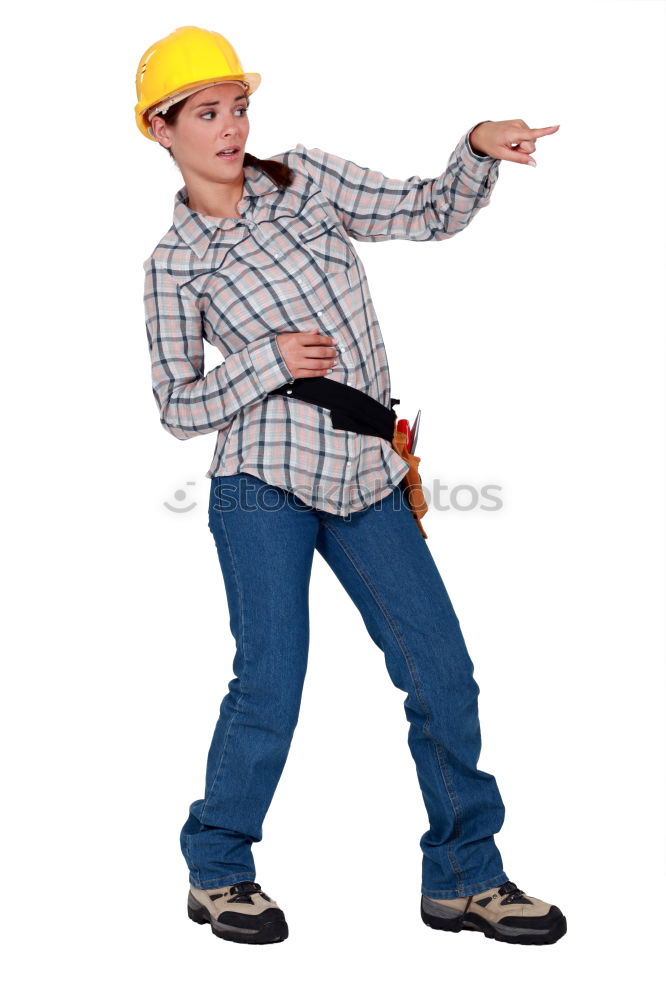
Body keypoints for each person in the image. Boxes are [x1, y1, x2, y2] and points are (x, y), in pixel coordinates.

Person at [136, 25, 565, 946]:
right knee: (272, 681)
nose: (230, 127)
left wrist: (475, 150)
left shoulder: (305, 181)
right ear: (160, 130)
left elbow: (426, 211)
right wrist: (266, 362)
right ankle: (218, 869)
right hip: (263, 483)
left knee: (442, 674)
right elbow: (177, 406)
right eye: (206, 113)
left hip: (369, 473)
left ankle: (464, 876)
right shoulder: (173, 268)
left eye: (238, 106)